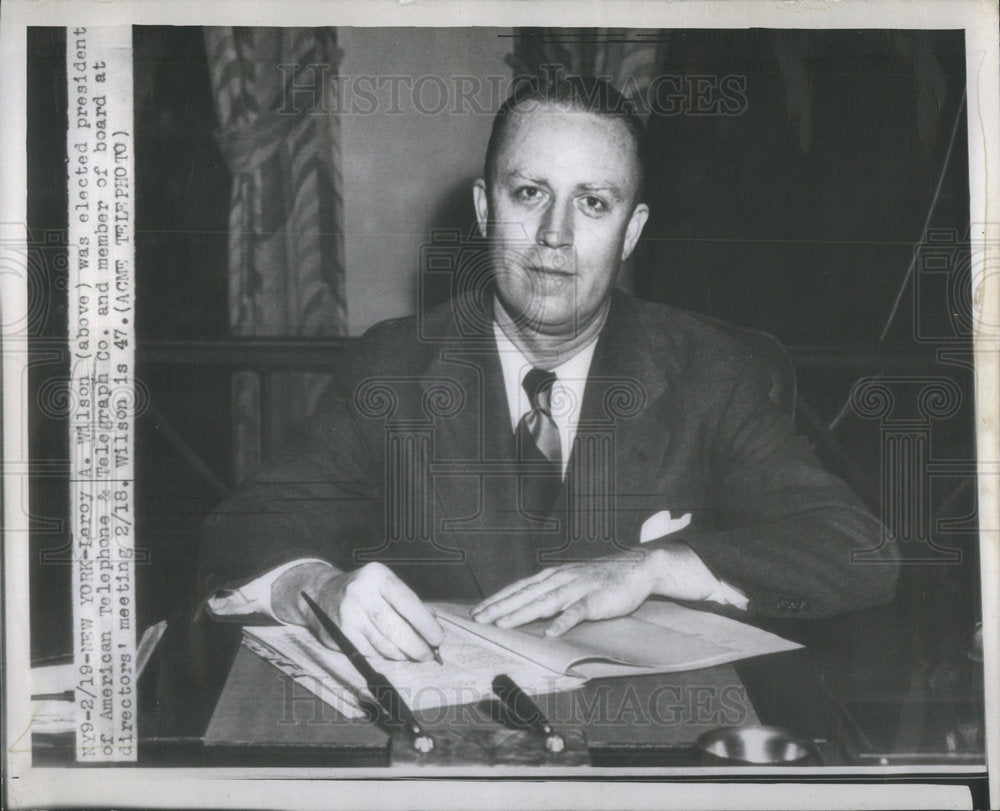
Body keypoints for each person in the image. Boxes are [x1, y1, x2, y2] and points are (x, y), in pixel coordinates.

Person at [199, 76, 899, 663]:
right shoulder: (394, 367)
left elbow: (861, 552)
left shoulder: (712, 373)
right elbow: (242, 528)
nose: (555, 236)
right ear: (483, 208)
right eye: (529, 193)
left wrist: (657, 564)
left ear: (632, 231)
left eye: (594, 203)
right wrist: (317, 588)